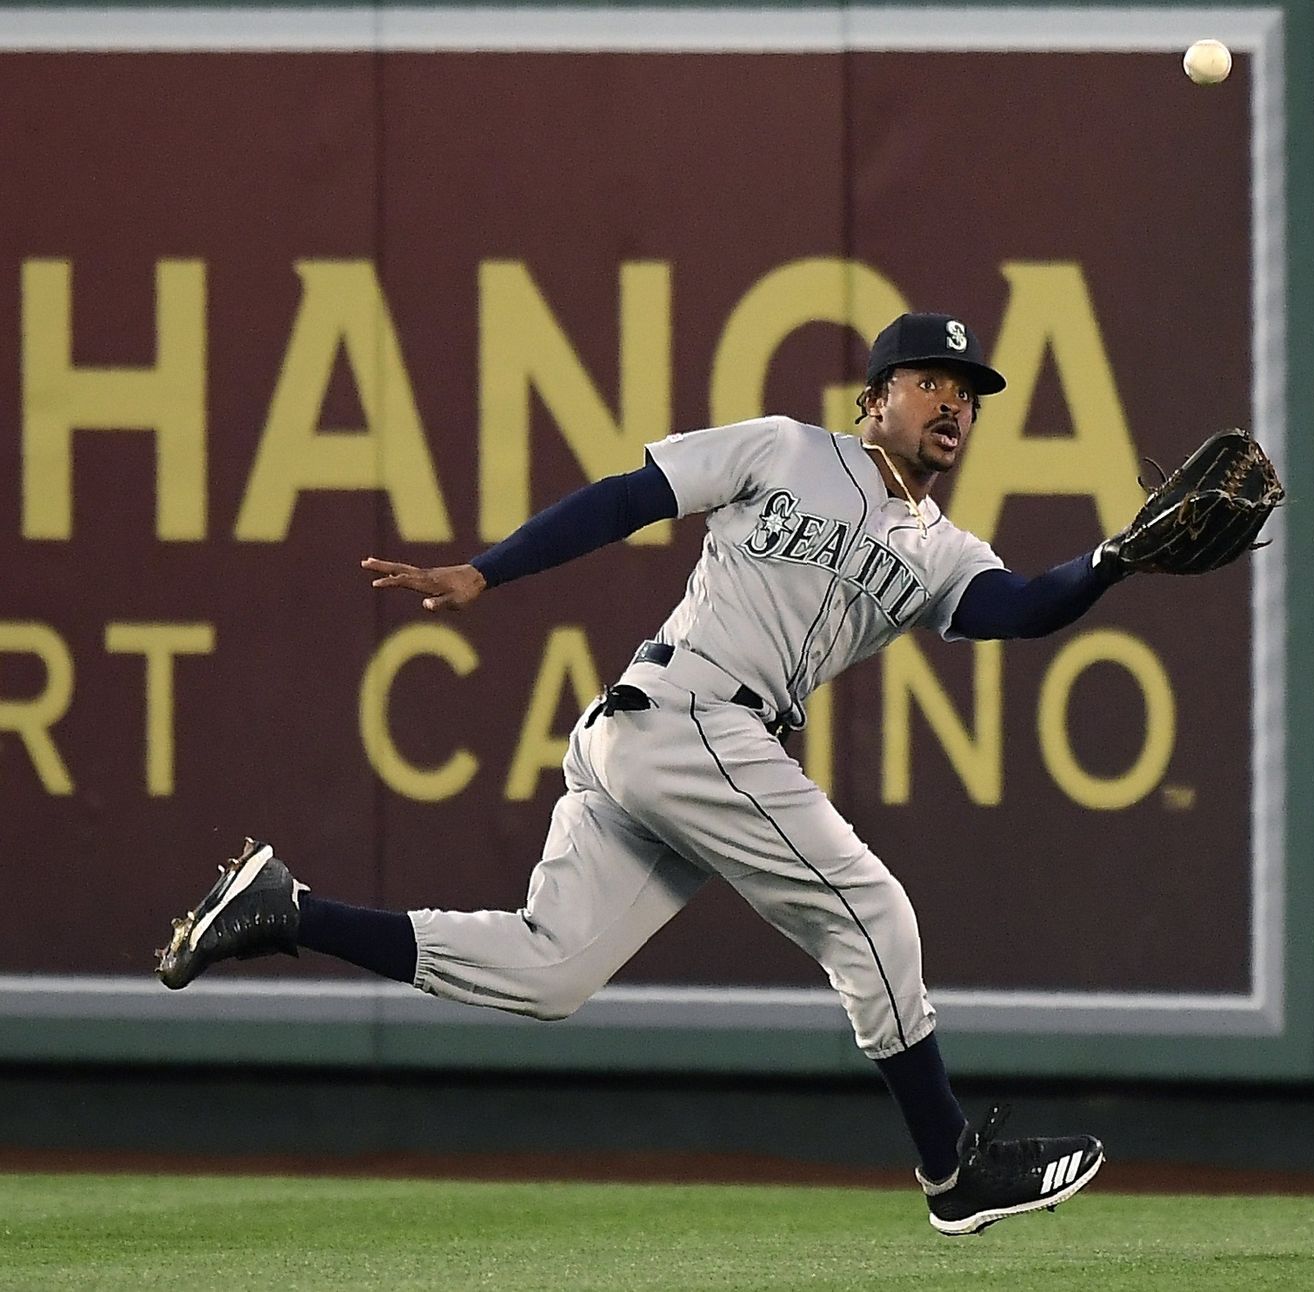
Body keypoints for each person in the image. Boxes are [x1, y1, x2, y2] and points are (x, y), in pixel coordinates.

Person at [157, 312, 1129, 1235]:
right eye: (931, 382)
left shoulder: (941, 551)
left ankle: (287, 909)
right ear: (876, 397)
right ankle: (953, 1168)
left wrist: (1116, 557)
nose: (952, 403)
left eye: (969, 392)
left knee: (550, 972)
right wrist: (486, 571)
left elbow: (1021, 606)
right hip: (687, 715)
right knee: (871, 914)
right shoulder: (789, 449)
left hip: (673, 743)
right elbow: (633, 495)